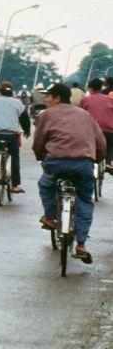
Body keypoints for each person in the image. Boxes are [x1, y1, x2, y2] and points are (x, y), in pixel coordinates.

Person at [33, 83, 105, 264]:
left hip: (56, 162)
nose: (46, 99)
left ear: (57, 98)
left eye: (48, 96)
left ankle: (49, 218)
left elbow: (39, 141)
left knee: (46, 184)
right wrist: (97, 159)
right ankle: (81, 245)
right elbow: (100, 141)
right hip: (83, 164)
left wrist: (40, 156)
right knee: (84, 200)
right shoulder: (85, 114)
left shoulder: (46, 115)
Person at [0, 81, 28, 193]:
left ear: (0, 91)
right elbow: (24, 119)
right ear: (12, 92)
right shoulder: (18, 102)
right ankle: (15, 185)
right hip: (12, 135)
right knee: (14, 157)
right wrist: (27, 131)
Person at [79, 78, 113, 165]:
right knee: (110, 145)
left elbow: (79, 115)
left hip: (90, 131)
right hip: (107, 130)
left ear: (90, 88)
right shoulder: (110, 100)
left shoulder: (85, 100)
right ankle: (108, 163)